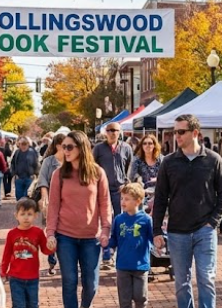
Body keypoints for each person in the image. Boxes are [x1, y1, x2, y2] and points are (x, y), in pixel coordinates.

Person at [153, 114, 222, 308]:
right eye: (174, 131)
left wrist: (213, 222)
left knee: (206, 278)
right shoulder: (168, 163)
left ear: (195, 133)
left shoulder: (213, 160)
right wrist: (156, 231)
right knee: (181, 282)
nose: (176, 136)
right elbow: (160, 198)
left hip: (205, 230)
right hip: (178, 231)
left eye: (181, 131)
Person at [46, 131, 112, 308]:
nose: (65, 150)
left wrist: (106, 230)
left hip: (92, 237)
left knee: (91, 284)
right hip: (65, 236)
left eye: (69, 147)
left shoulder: (98, 173)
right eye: (63, 147)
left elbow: (105, 204)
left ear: (81, 148)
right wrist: (50, 233)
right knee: (69, 281)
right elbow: (53, 206)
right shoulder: (58, 174)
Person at [1, 198, 54, 308]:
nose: (26, 217)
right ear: (16, 216)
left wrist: (51, 248)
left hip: (33, 277)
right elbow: (7, 254)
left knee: (33, 304)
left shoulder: (38, 232)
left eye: (29, 214)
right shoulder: (12, 234)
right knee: (18, 305)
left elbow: (45, 250)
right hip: (15, 277)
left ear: (35, 215)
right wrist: (3, 271)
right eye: (22, 214)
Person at [94, 121, 134, 268]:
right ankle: (105, 252)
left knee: (119, 220)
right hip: (102, 190)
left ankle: (115, 250)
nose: (112, 133)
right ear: (106, 132)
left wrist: (126, 182)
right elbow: (93, 167)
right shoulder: (99, 149)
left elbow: (130, 167)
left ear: (120, 132)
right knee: (104, 220)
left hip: (119, 190)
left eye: (115, 130)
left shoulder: (126, 148)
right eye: (109, 130)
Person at [109, 183, 154, 308]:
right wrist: (106, 245)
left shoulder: (146, 220)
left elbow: (153, 238)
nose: (123, 202)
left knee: (140, 297)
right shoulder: (118, 219)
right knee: (124, 301)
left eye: (127, 199)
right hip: (123, 266)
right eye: (122, 198)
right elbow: (114, 239)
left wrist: (159, 243)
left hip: (140, 266)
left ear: (137, 201)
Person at [37, 133, 67, 276]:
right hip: (52, 201)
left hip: (68, 203)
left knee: (65, 232)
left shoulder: (71, 160)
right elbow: (42, 180)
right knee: (51, 230)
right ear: (57, 145)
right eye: (63, 144)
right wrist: (44, 197)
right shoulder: (49, 161)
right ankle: (52, 261)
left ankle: (65, 262)